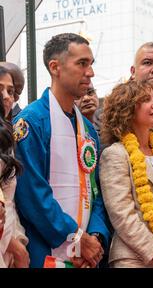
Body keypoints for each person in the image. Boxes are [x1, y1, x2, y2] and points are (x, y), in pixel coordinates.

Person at [13, 33, 110, 268]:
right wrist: (76, 238)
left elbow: (95, 191)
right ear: (55, 67)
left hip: (86, 254)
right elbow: (33, 195)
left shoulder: (88, 129)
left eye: (91, 64)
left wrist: (94, 238)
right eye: (82, 64)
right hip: (45, 251)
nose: (91, 72)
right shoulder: (31, 122)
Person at [99, 79, 153, 268]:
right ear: (127, 110)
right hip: (133, 259)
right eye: (146, 100)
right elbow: (122, 215)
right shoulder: (115, 154)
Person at [0, 99, 29, 268]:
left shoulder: (6, 132)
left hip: (10, 229)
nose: (6, 97)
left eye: (10, 91)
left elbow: (9, 202)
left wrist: (17, 244)